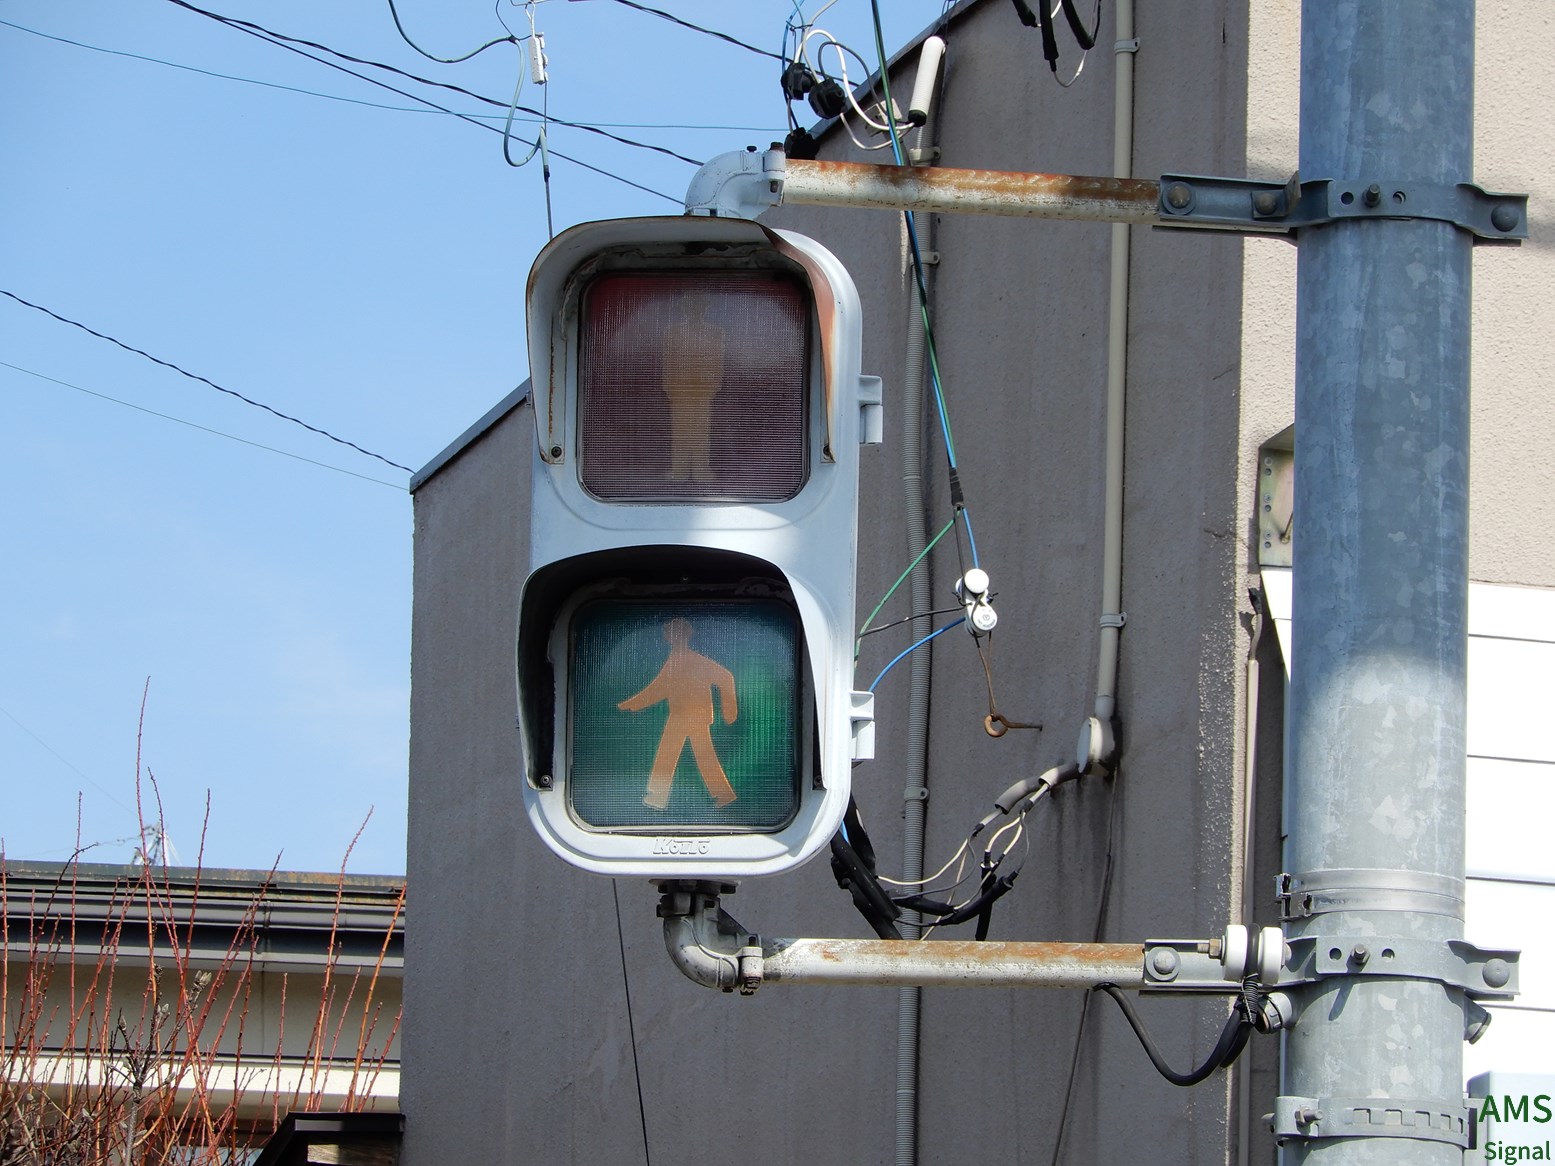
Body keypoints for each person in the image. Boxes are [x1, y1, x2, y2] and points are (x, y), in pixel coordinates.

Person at [619, 617, 738, 810]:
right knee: (685, 754)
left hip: (693, 716)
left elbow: (726, 677)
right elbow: (660, 688)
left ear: (679, 636)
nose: (666, 635)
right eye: (667, 632)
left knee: (675, 753)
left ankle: (659, 796)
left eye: (669, 632)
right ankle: (720, 794)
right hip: (682, 715)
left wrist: (729, 710)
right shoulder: (675, 659)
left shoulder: (693, 659)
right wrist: (632, 705)